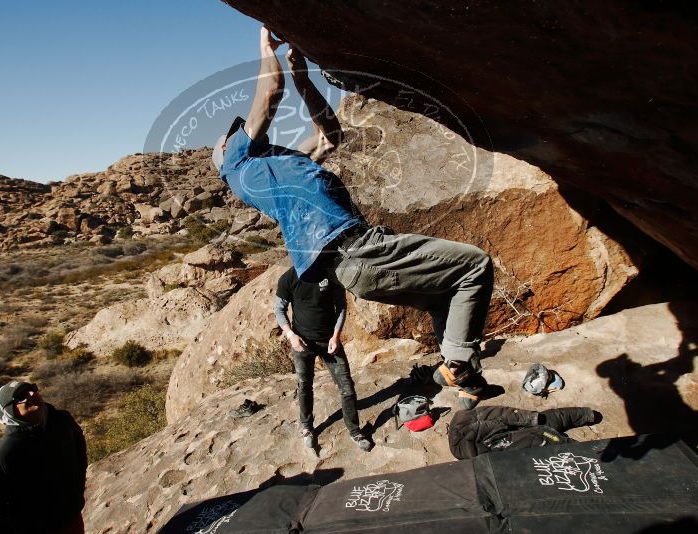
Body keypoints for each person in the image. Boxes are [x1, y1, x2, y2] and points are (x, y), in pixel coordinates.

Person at [212, 26, 494, 408]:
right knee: (473, 265)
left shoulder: (280, 169)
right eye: (237, 134)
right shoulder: (237, 163)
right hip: (357, 251)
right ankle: (458, 363)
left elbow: (329, 135)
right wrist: (266, 50)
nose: (245, 132)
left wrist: (301, 75)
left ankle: (466, 384)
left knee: (444, 295)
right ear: (228, 148)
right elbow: (268, 95)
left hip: (352, 267)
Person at [275, 265, 373, 452]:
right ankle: (306, 427)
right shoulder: (288, 278)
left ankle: (354, 430)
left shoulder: (330, 273)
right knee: (304, 385)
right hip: (302, 342)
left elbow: (341, 305)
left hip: (329, 341)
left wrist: (336, 335)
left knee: (347, 387)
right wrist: (290, 335)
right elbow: (279, 309)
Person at [0, 381, 87, 534]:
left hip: (71, 516)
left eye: (32, 389)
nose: (32, 394)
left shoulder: (62, 421)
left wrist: (77, 492)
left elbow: (79, 453)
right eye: (21, 396)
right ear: (9, 411)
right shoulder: (5, 452)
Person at [447, 405, 601, 459]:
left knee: (547, 421)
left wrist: (530, 418)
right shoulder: (469, 425)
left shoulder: (468, 422)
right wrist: (529, 418)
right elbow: (506, 415)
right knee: (548, 427)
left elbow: (505, 416)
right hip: (535, 438)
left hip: (526, 437)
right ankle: (587, 416)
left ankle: (586, 415)